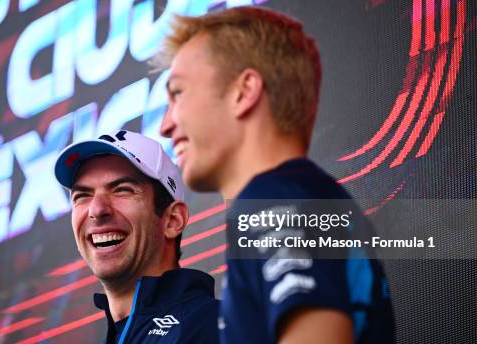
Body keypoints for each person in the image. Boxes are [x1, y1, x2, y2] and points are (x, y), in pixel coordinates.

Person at [155, 6, 395, 344]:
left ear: (244, 91)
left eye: (177, 93)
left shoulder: (274, 199)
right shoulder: (292, 196)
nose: (165, 126)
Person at [54, 130, 219, 343]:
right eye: (82, 196)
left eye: (122, 190)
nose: (96, 209)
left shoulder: (217, 326)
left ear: (173, 220)